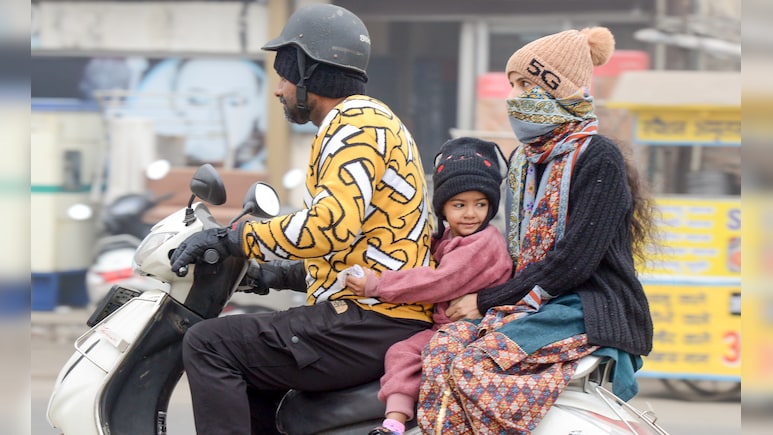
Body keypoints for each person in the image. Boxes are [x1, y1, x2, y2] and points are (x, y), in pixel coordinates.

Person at [168, 4, 435, 434]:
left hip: (371, 319)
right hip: (373, 315)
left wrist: (234, 238)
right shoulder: (367, 121)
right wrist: (271, 275)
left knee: (208, 344)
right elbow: (351, 249)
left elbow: (328, 227)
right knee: (249, 360)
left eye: (286, 76)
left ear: (311, 75)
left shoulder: (354, 127)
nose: (278, 90)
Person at [417, 27, 657, 434]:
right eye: (511, 84)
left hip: (583, 308)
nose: (513, 97)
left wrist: (486, 300)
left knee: (475, 365)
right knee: (442, 349)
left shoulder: (598, 157)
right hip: (534, 304)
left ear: (555, 88)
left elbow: (574, 262)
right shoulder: (523, 162)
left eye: (525, 84)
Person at [343, 137, 516, 435]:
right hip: (447, 325)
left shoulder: (483, 243)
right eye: (459, 205)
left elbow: (438, 281)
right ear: (443, 208)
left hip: (475, 328)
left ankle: (395, 422)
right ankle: (397, 420)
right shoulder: (452, 237)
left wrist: (378, 284)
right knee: (403, 352)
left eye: (480, 204)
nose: (471, 213)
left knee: (403, 352)